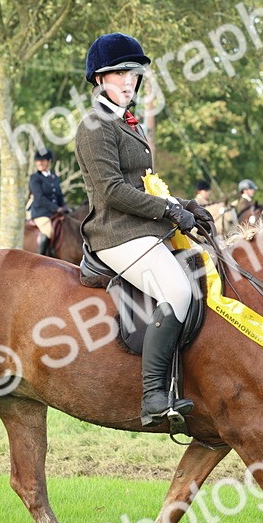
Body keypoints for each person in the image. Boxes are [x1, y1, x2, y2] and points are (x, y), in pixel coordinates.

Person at [74, 32, 210, 427]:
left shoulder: (129, 125)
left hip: (145, 231)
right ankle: (153, 395)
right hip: (114, 232)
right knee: (178, 291)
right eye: (119, 74)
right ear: (99, 79)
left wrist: (186, 207)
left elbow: (144, 183)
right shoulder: (95, 126)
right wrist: (170, 211)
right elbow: (113, 192)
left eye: (133, 74)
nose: (129, 81)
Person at [27, 150, 67, 257]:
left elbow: (59, 195)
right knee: (48, 232)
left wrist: (64, 207)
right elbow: (39, 198)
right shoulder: (34, 178)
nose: (40, 163)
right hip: (41, 213)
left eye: (42, 160)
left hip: (56, 213)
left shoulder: (54, 177)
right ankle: (41, 257)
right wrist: (56, 208)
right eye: (38, 161)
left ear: (49, 161)